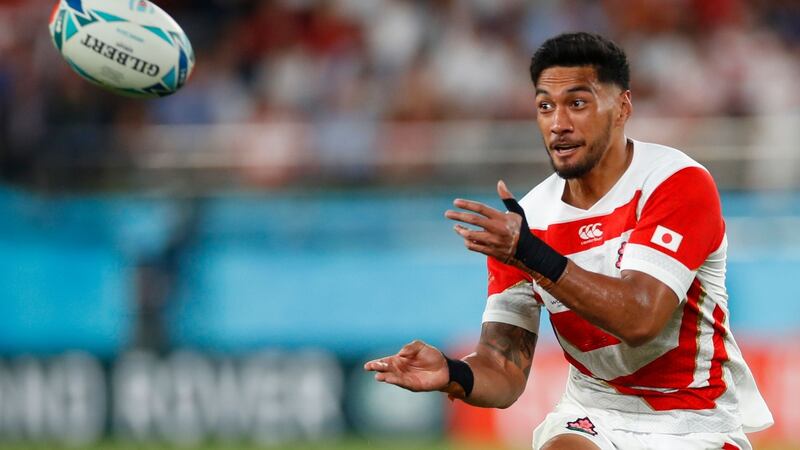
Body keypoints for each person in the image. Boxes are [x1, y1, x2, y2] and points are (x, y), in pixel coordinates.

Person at [364, 32, 773, 450]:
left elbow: (640, 319)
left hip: (692, 418)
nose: (558, 123)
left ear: (622, 107)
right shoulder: (527, 223)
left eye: (577, 103)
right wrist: (453, 374)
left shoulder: (676, 183)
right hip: (594, 413)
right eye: (545, 106)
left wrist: (531, 255)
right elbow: (503, 369)